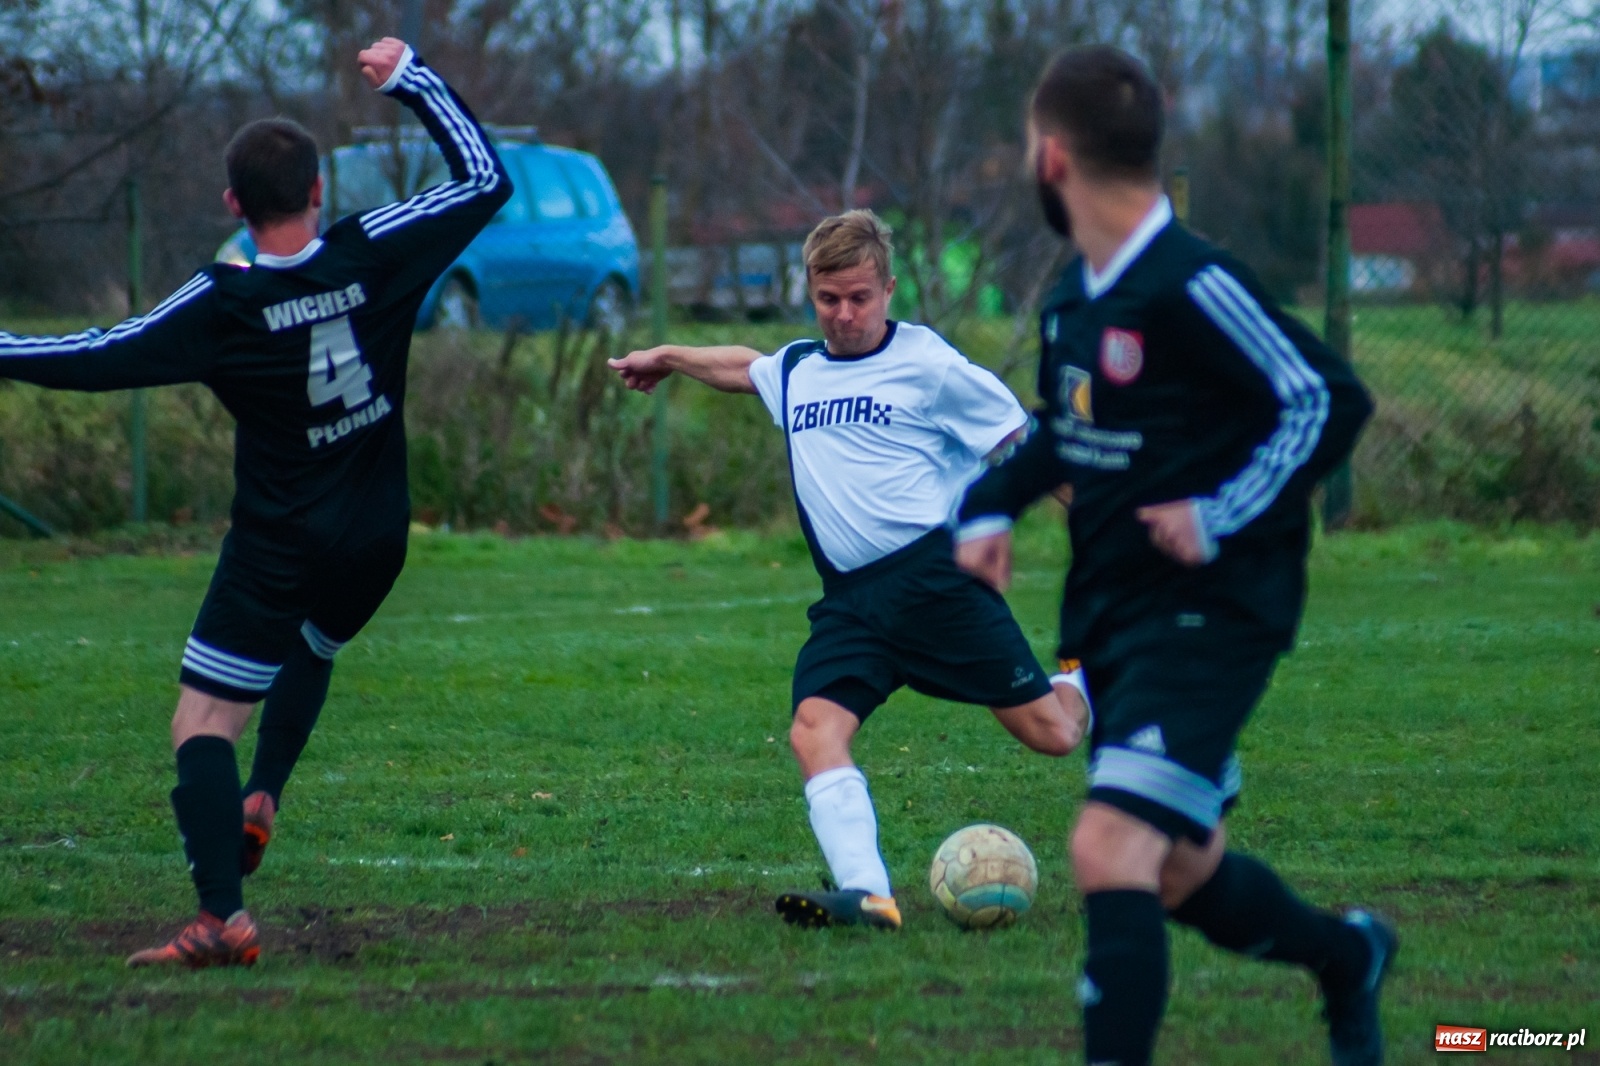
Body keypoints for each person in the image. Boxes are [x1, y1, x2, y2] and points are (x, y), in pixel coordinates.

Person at [0, 37, 510, 968]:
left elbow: (99, 354)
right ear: (319, 192)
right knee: (316, 646)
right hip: (376, 535)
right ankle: (265, 791)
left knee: (200, 725)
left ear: (234, 205)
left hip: (280, 544)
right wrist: (410, 79)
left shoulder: (221, 306)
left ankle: (221, 920)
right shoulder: (373, 253)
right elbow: (484, 180)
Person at [955, 46, 1391, 1066]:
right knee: (1178, 871)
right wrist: (989, 507)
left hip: (1215, 610)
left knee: (1106, 844)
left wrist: (1221, 509)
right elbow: (1069, 433)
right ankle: (1348, 956)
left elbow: (1329, 397)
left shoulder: (1193, 282)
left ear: (1051, 158)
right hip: (1115, 615)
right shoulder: (1074, 295)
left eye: (1027, 142)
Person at [609, 210, 1089, 929]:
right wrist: (670, 356)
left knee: (1052, 734)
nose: (844, 314)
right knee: (814, 728)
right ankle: (868, 894)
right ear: (811, 292)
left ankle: (1093, 669)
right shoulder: (801, 368)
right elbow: (747, 367)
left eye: (859, 297)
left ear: (889, 288)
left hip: (936, 583)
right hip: (852, 603)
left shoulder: (931, 365)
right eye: (829, 299)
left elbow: (1029, 444)